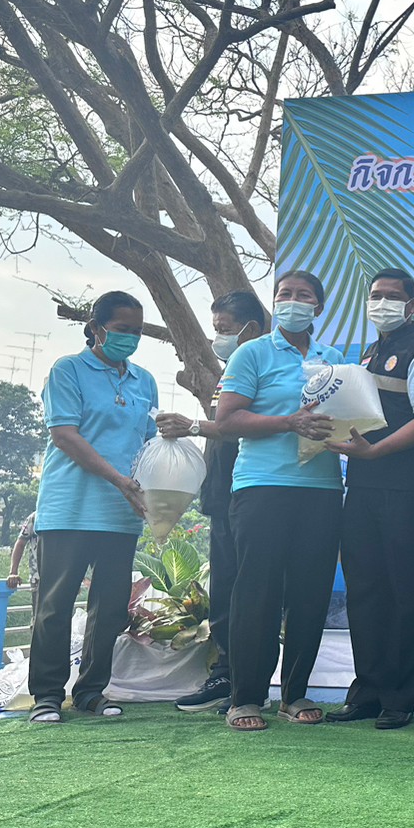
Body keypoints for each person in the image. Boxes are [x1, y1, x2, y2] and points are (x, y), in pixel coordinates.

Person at [215, 270, 344, 731]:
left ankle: (295, 694)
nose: (293, 301)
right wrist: (289, 422)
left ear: (318, 307)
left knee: (311, 593)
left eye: (303, 295)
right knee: (258, 591)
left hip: (323, 488)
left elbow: (349, 417)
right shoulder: (252, 352)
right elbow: (227, 419)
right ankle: (246, 697)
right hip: (262, 486)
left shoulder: (334, 360)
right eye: (285, 294)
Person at [28, 292, 159, 723]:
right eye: (122, 329)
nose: (130, 338)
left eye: (137, 331)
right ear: (96, 328)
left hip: (122, 513)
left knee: (110, 607)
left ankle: (91, 691)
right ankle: (47, 694)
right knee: (56, 605)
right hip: (70, 507)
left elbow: (148, 443)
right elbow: (65, 435)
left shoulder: (144, 381)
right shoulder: (68, 370)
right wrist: (118, 479)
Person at [321, 268, 414, 731]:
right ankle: (367, 691)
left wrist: (376, 452)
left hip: (406, 488)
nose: (382, 303)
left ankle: (400, 697)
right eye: (376, 295)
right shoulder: (370, 352)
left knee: (405, 592)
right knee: (365, 590)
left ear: (411, 305)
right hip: (363, 487)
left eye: (392, 296)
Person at [156, 290, 267, 714]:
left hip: (255, 493)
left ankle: (248, 681)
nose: (218, 337)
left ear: (250, 329)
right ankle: (225, 673)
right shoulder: (231, 370)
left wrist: (194, 426)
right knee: (224, 588)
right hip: (221, 494)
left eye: (224, 329)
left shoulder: (268, 368)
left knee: (250, 590)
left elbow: (240, 425)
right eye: (216, 328)